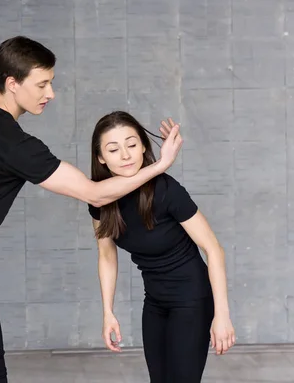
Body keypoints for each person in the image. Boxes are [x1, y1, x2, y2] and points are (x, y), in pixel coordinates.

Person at [0, 36, 184, 383]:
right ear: (12, 84)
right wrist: (159, 166)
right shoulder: (16, 147)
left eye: (50, 83)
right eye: (42, 84)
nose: (50, 93)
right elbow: (95, 194)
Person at [87, 111, 236, 383]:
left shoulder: (167, 191)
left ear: (144, 146)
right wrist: (107, 312)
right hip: (154, 301)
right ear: (100, 157)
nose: (125, 155)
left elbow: (214, 249)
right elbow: (106, 256)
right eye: (113, 149)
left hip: (191, 299)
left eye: (132, 145)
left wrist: (221, 315)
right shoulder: (100, 199)